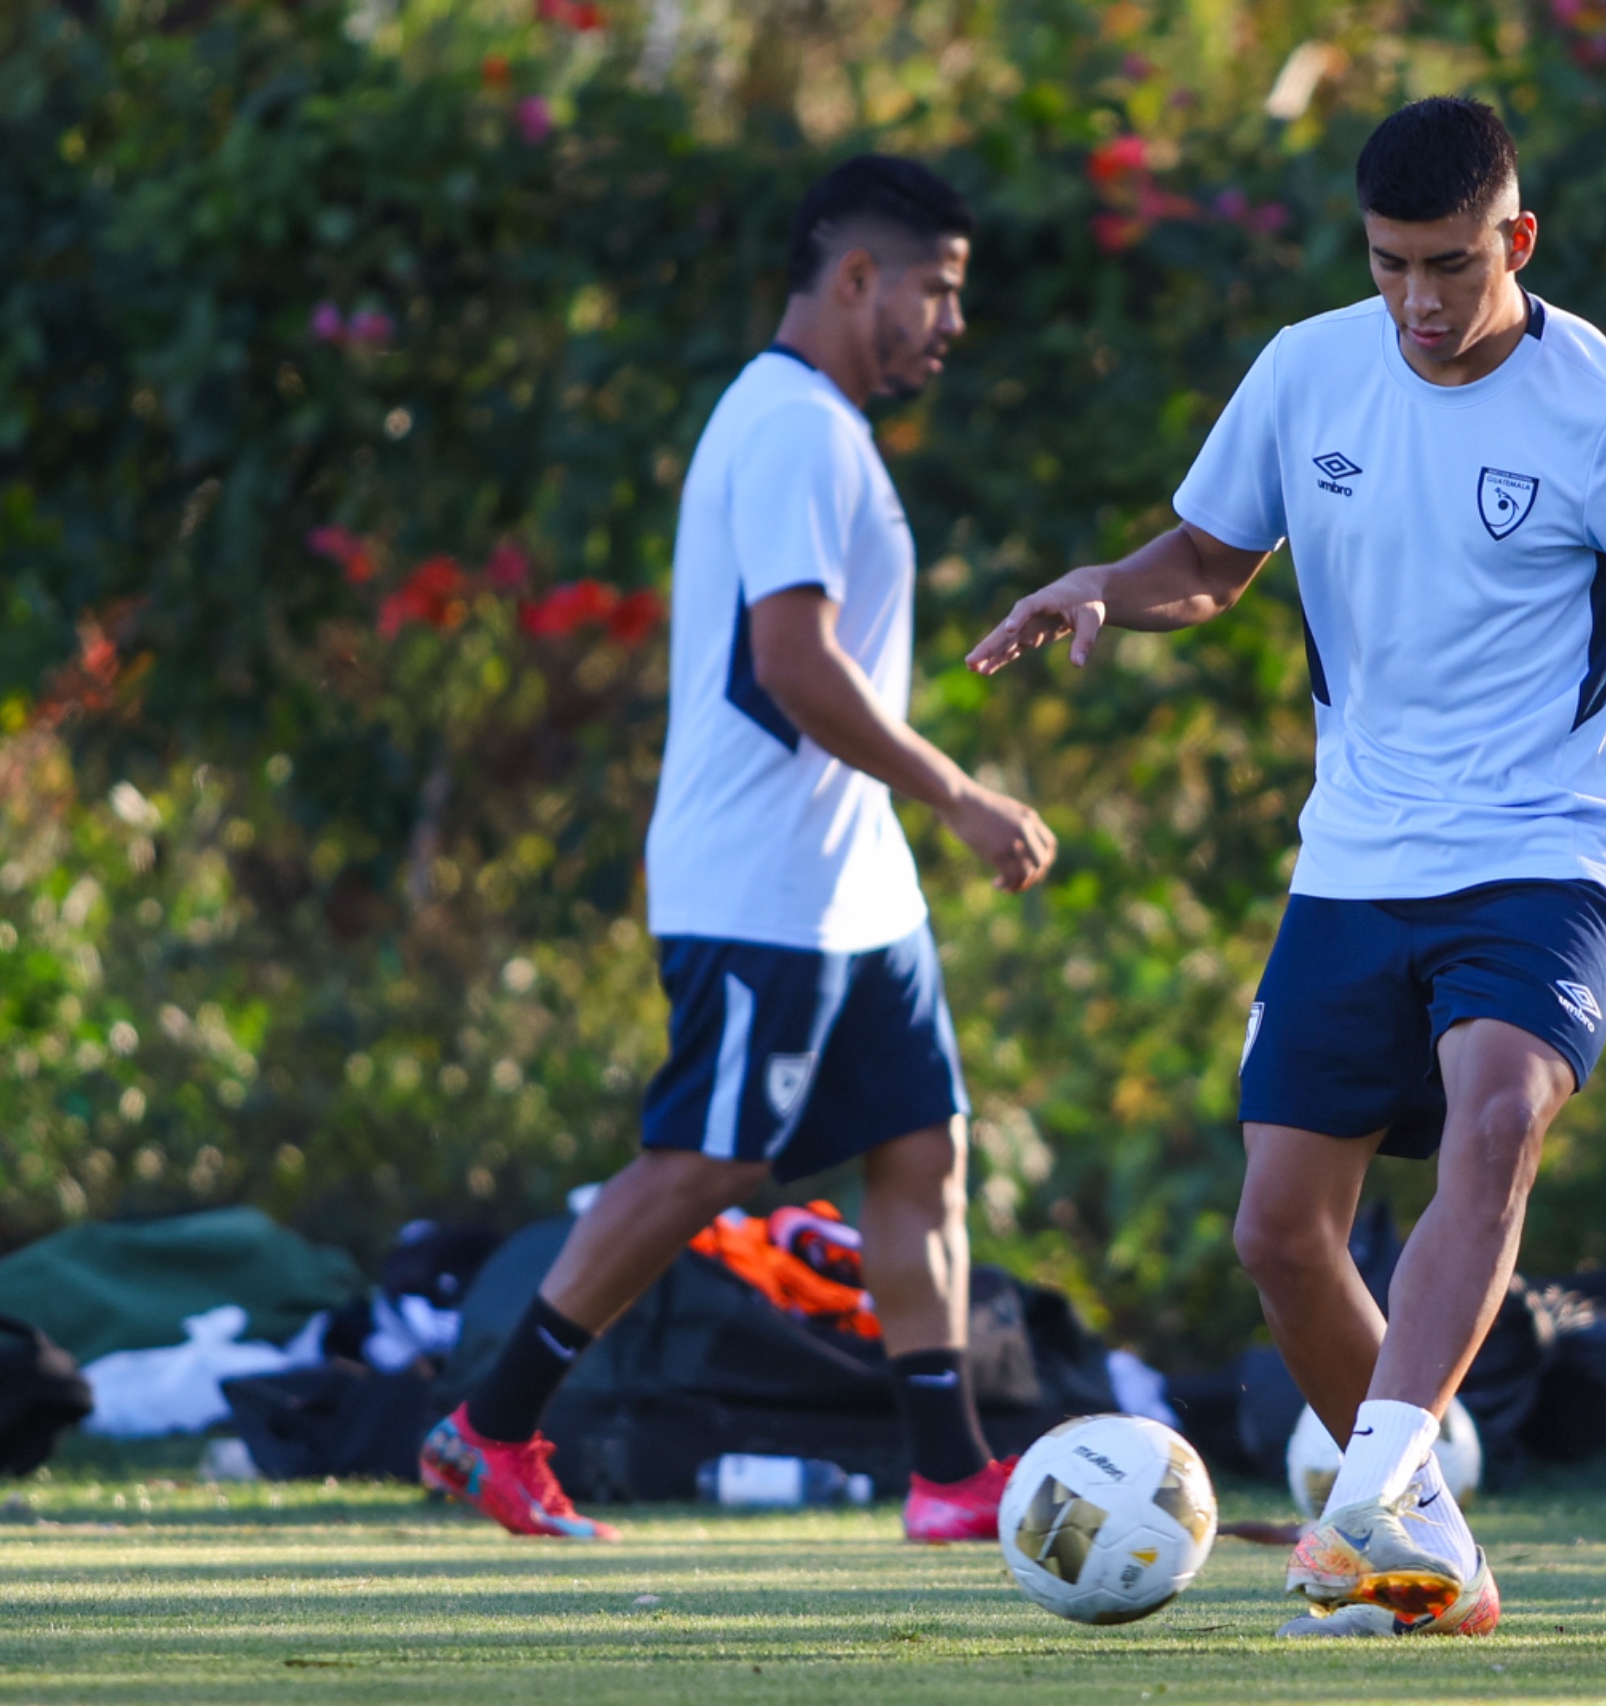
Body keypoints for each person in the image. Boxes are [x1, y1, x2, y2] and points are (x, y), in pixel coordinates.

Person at [967, 98, 1606, 1635]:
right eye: (1391, 263)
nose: (1418, 299)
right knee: (1278, 1232)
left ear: (1517, 241)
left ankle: (1373, 1495)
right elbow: (1207, 565)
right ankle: (1434, 1549)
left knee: (1494, 1116)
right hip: (1355, 857)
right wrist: (1100, 586)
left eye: (1451, 265)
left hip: (1548, 853)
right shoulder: (1307, 370)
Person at [422, 155, 1058, 1544]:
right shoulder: (791, 428)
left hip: (856, 890)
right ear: (853, 280)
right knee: (704, 1164)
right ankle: (490, 1427)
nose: (950, 321)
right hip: (761, 886)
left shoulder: (827, 428)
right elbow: (791, 662)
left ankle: (950, 1475)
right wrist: (955, 790)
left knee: (921, 1153)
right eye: (935, 291)